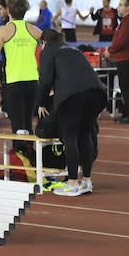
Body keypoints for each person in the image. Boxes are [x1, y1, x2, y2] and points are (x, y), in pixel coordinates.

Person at [36, 29, 106, 196]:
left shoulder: (48, 51)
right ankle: (87, 181)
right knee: (85, 135)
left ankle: (72, 183)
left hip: (72, 96)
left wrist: (41, 103)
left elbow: (45, 80)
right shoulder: (73, 49)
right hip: (97, 93)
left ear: (44, 42)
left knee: (70, 137)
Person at [0, 0, 43, 138]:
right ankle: (30, 157)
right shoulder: (35, 30)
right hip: (32, 81)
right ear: (25, 11)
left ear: (8, 10)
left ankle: (20, 156)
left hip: (13, 82)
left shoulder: (2, 32)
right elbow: (49, 52)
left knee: (17, 126)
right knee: (27, 124)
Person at [102, 0, 129, 123]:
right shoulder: (127, 21)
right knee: (126, 87)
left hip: (126, 58)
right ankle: (128, 114)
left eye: (120, 5)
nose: (118, 7)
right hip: (124, 58)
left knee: (128, 87)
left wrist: (110, 50)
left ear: (128, 7)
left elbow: (121, 41)